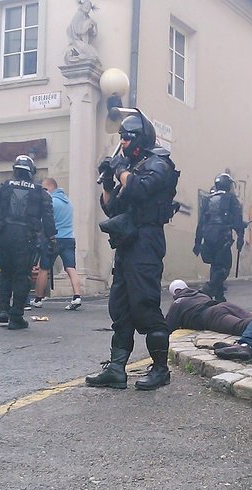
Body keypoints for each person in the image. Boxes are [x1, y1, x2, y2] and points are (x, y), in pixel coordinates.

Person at [85, 109, 178, 391]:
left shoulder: (159, 162)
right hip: (126, 244)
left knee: (145, 305)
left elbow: (139, 189)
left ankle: (160, 368)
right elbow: (113, 208)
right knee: (121, 308)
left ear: (139, 138)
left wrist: (122, 170)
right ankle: (116, 368)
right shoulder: (131, 166)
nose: (122, 142)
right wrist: (107, 181)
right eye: (121, 137)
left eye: (126, 137)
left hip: (146, 242)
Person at [0, 155, 56, 330]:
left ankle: (3, 311)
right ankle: (16, 316)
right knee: (22, 276)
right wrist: (51, 239)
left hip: (3, 236)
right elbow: (48, 219)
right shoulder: (40, 192)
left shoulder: (3, 187)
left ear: (15, 170)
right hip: (25, 238)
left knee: (5, 273)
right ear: (32, 172)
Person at [32, 177, 84, 311]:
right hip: (68, 239)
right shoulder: (68, 203)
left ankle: (38, 299)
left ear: (50, 187)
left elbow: (46, 221)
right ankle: (77, 296)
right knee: (71, 268)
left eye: (44, 188)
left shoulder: (51, 202)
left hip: (53, 239)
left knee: (44, 268)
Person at [193, 173, 245, 302]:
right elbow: (238, 221)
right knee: (224, 267)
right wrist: (240, 237)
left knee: (215, 266)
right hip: (223, 237)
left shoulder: (208, 199)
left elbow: (201, 222)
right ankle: (207, 290)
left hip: (208, 238)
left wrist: (197, 242)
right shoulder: (231, 199)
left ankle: (219, 296)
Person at [165, 279, 252, 335]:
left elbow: (168, 327)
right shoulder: (200, 295)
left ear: (174, 294)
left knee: (241, 327)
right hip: (224, 305)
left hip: (212, 316)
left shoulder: (177, 303)